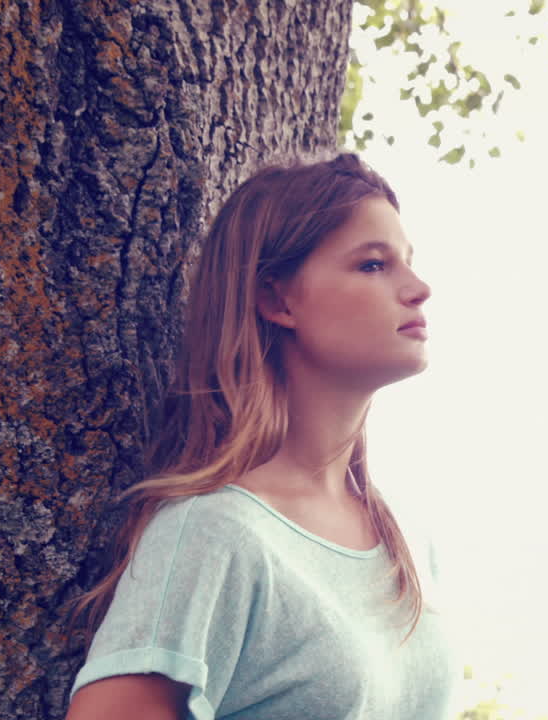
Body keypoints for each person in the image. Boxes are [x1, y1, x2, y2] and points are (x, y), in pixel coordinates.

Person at [64, 152, 457, 720]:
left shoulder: (409, 540)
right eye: (373, 265)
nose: (418, 288)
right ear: (277, 299)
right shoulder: (211, 535)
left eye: (408, 262)